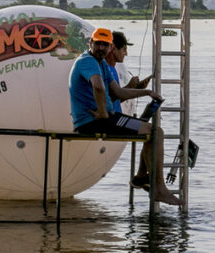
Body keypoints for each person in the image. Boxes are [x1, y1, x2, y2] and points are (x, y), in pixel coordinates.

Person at [68, 28, 181, 206]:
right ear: (90, 43)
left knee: (153, 132)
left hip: (104, 119)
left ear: (109, 47)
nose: (101, 48)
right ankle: (158, 187)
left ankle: (144, 177)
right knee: (155, 132)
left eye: (105, 45)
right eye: (98, 43)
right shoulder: (87, 62)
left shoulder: (102, 64)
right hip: (94, 122)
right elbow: (98, 86)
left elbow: (119, 93)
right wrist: (104, 113)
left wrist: (146, 92)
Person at [104, 31, 151, 115]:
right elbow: (107, 100)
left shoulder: (113, 69)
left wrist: (136, 89)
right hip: (111, 119)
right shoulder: (105, 69)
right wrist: (130, 86)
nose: (126, 53)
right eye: (124, 49)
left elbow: (117, 98)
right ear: (113, 49)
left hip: (116, 116)